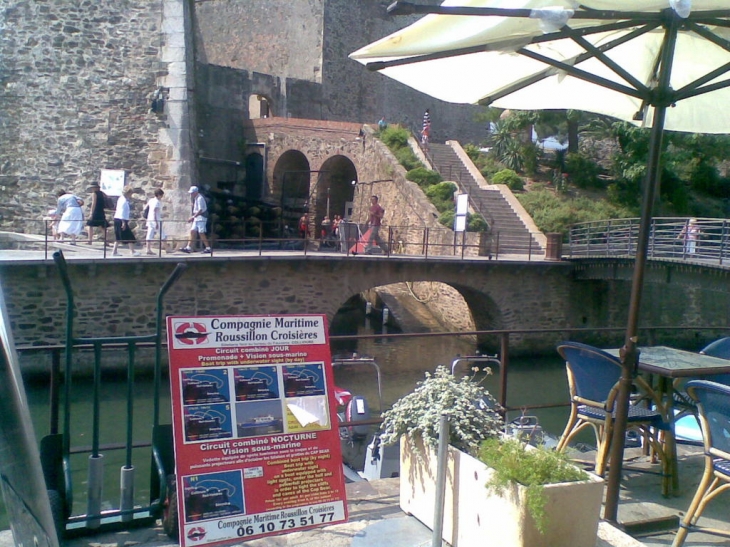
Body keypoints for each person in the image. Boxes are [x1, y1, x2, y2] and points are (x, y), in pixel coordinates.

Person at [180, 186, 211, 253]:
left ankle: (208, 248)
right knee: (192, 231)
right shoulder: (196, 198)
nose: (191, 194)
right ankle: (188, 247)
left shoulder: (200, 198)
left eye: (192, 193)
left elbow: (200, 210)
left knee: (201, 232)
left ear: (196, 192)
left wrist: (193, 217)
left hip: (201, 217)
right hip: (197, 217)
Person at [112, 186, 140, 256]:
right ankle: (132, 251)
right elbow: (122, 211)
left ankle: (114, 251)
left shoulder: (121, 199)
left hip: (118, 219)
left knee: (119, 237)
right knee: (129, 236)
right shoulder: (123, 201)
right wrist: (124, 222)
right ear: (128, 193)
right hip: (121, 220)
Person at [145, 188, 167, 255]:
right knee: (163, 234)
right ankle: (167, 249)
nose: (162, 197)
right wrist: (156, 222)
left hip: (150, 220)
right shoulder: (157, 202)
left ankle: (148, 249)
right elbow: (154, 212)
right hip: (156, 220)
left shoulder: (151, 200)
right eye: (161, 195)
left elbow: (146, 208)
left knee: (150, 234)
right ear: (158, 195)